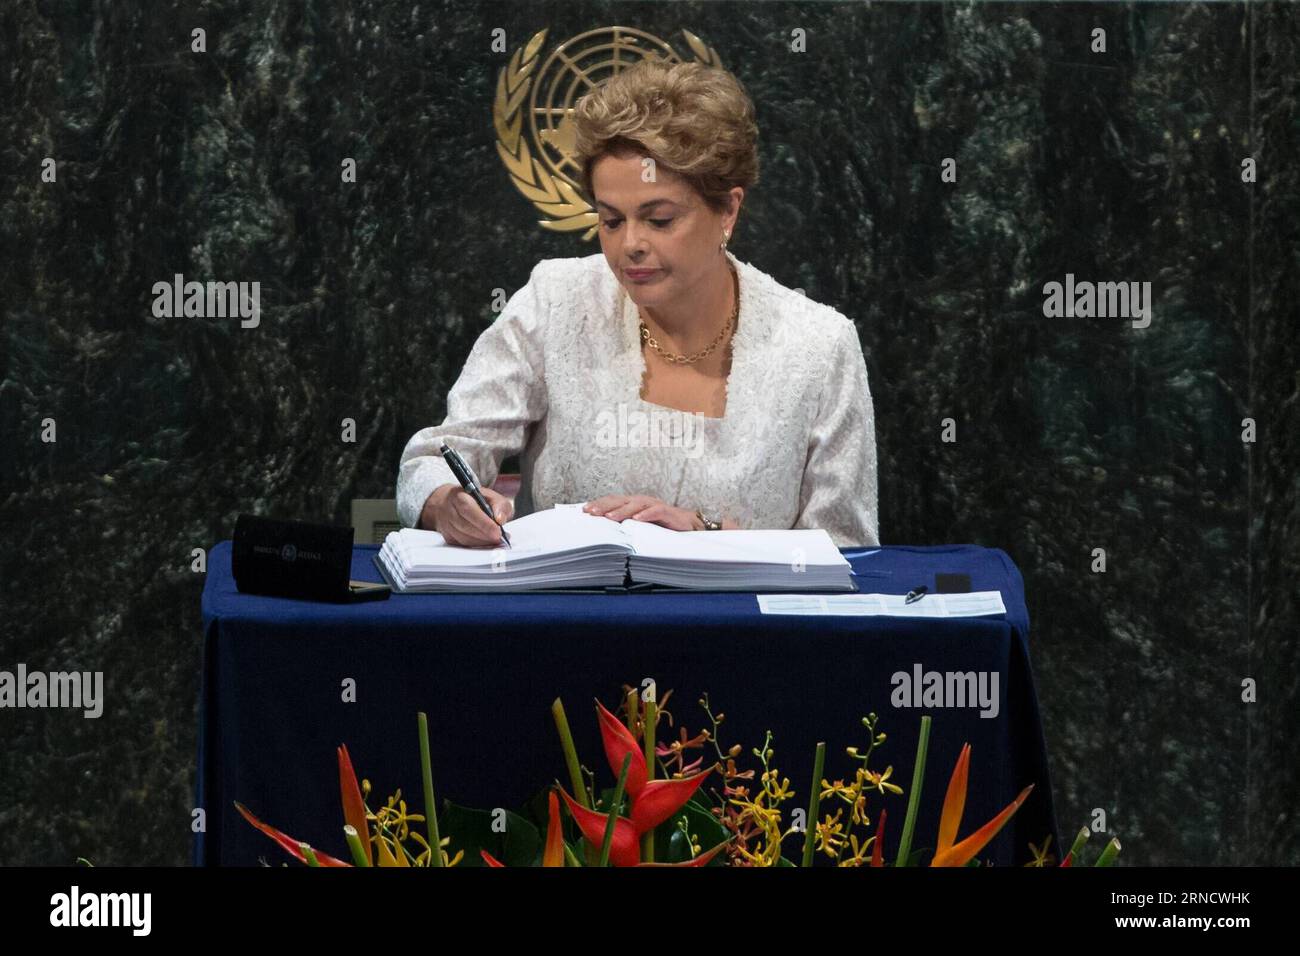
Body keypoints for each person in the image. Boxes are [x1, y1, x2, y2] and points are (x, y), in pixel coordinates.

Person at [397, 58, 879, 548]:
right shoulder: (556, 303)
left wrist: (706, 534)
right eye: (610, 220)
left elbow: (848, 550)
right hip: (572, 620)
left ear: (728, 209)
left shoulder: (819, 346)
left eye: (660, 220)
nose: (630, 245)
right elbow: (432, 461)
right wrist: (446, 501)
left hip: (739, 624)